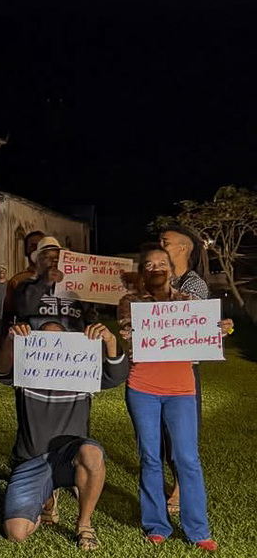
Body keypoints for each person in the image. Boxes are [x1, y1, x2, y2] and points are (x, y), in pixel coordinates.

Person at [117, 246, 230, 551]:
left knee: (187, 458)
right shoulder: (130, 302)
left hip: (181, 390)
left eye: (161, 263)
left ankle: (198, 529)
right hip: (142, 389)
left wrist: (218, 331)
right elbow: (129, 332)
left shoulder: (189, 302)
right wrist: (129, 333)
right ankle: (156, 524)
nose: (155, 267)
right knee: (150, 457)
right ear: (142, 271)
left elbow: (203, 336)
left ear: (170, 269)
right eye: (149, 264)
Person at [0, 320, 128, 550]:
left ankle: (84, 524)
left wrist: (111, 341)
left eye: (58, 340)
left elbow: (117, 376)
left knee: (92, 453)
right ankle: (46, 497)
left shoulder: (83, 371)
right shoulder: (26, 369)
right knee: (16, 533)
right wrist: (10, 341)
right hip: (31, 461)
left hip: (69, 458)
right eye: (44, 339)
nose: (52, 345)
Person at [158, 225, 210, 513]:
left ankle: (181, 488)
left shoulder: (194, 284)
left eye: (166, 242)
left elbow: (182, 318)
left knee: (181, 432)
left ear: (184, 248)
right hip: (156, 369)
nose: (160, 245)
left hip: (182, 371)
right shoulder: (161, 278)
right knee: (162, 432)